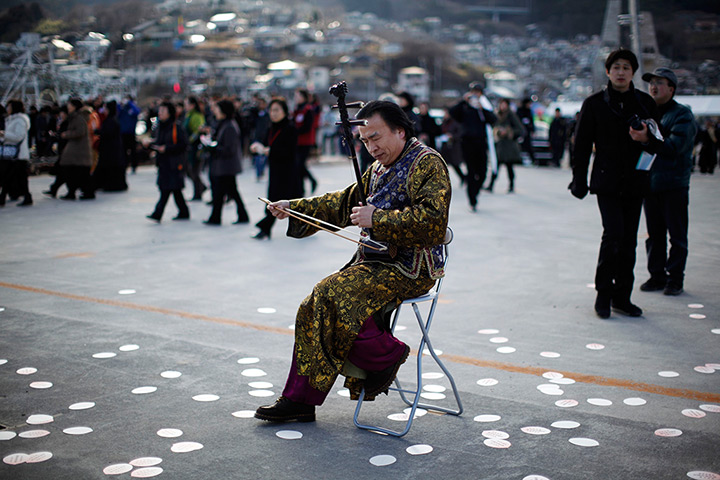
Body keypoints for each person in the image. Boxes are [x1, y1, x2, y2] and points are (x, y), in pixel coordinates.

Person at [254, 100, 451, 423]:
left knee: (332, 293)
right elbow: (342, 203)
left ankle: (385, 353)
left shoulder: (427, 164)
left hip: (412, 267)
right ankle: (299, 399)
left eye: (376, 138)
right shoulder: (377, 170)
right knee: (311, 304)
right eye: (365, 141)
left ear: (400, 131)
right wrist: (294, 207)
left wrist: (379, 219)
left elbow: (433, 221)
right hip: (375, 262)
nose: (371, 148)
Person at [569, 48, 660, 319]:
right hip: (606, 180)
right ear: (608, 71)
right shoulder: (594, 103)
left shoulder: (645, 103)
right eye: (616, 67)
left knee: (629, 240)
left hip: (635, 180)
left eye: (626, 68)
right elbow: (582, 145)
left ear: (633, 73)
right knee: (613, 235)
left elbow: (660, 143)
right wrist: (579, 180)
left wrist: (645, 139)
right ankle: (603, 295)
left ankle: (623, 296)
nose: (621, 72)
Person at [629, 68, 698, 296]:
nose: (654, 87)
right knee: (654, 234)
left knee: (676, 235)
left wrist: (649, 138)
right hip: (651, 183)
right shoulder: (648, 113)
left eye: (660, 83)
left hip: (674, 184)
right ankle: (656, 276)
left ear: (671, 88)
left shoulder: (682, 115)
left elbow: (675, 148)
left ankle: (675, 279)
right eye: (651, 83)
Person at [251, 98, 302, 240]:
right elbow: (266, 143)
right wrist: (258, 147)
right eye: (271, 110)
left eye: (276, 110)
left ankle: (265, 227)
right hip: (275, 169)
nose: (273, 113)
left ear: (285, 112)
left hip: (288, 170)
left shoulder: (290, 128)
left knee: (284, 201)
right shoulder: (271, 127)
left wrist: (268, 151)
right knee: (287, 201)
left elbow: (289, 151)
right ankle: (267, 227)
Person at [449, 82, 496, 212]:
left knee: (482, 172)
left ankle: (476, 189)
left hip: (481, 142)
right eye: (473, 92)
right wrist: (463, 101)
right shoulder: (464, 107)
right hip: (467, 142)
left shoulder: (483, 108)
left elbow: (493, 119)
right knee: (471, 171)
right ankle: (472, 198)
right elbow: (453, 113)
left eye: (478, 93)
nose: (475, 95)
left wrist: (481, 109)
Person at [204, 99, 249, 226]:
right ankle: (238, 215)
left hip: (226, 166)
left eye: (217, 108)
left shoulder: (229, 126)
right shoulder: (222, 124)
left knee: (224, 192)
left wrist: (213, 148)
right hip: (223, 166)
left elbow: (229, 149)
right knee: (229, 191)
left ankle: (217, 217)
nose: (215, 110)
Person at [145, 101, 190, 222]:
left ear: (170, 113)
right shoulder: (159, 126)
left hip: (174, 163)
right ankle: (183, 211)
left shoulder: (177, 127)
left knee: (167, 188)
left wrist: (167, 148)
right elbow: (158, 141)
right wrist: (151, 144)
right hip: (163, 162)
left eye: (163, 111)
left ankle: (158, 213)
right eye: (160, 111)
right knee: (174, 189)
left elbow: (184, 144)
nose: (160, 113)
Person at [58, 99, 93, 201]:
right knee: (76, 172)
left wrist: (67, 134)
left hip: (78, 150)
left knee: (73, 171)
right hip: (77, 151)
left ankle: (74, 191)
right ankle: (75, 191)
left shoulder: (78, 118)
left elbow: (80, 131)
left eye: (70, 105)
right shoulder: (76, 117)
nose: (68, 107)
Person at [487, 98, 524, 193]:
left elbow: (520, 130)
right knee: (496, 166)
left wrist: (508, 132)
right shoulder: (497, 115)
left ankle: (511, 185)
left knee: (509, 166)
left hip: (508, 146)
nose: (502, 106)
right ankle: (491, 185)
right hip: (499, 145)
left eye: (504, 104)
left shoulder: (511, 115)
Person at [0, 99, 32, 207]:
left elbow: (18, 136)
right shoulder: (11, 120)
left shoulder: (20, 120)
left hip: (19, 154)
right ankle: (25, 197)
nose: (7, 109)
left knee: (9, 176)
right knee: (14, 177)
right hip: (12, 153)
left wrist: (4, 134)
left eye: (9, 107)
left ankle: (3, 197)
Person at [92, 100, 127, 192]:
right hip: (112, 150)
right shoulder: (112, 119)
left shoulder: (111, 120)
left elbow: (108, 133)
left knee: (108, 167)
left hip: (110, 150)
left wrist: (98, 132)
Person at [292, 89, 318, 195]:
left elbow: (307, 127)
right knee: (299, 166)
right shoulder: (296, 109)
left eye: (298, 96)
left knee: (300, 165)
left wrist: (295, 131)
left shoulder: (308, 110)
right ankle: (303, 187)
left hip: (306, 142)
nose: (296, 98)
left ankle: (309, 183)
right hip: (297, 142)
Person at [183, 96, 208, 200]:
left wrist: (190, 140)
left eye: (187, 104)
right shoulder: (188, 115)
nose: (185, 106)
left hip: (195, 147)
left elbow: (199, 131)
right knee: (190, 171)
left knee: (194, 171)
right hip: (189, 147)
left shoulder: (197, 116)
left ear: (192, 105)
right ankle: (201, 188)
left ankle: (198, 192)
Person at [118, 95, 141, 174]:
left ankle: (134, 166)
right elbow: (117, 112)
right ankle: (124, 165)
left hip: (131, 133)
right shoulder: (123, 108)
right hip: (123, 133)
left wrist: (130, 103)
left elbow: (137, 111)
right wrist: (120, 103)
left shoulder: (132, 108)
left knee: (133, 151)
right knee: (123, 151)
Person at [516, 98, 536, 165]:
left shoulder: (529, 111)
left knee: (528, 146)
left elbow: (531, 121)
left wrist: (532, 129)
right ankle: (518, 159)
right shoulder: (520, 111)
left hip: (527, 132)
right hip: (520, 131)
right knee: (519, 146)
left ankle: (533, 159)